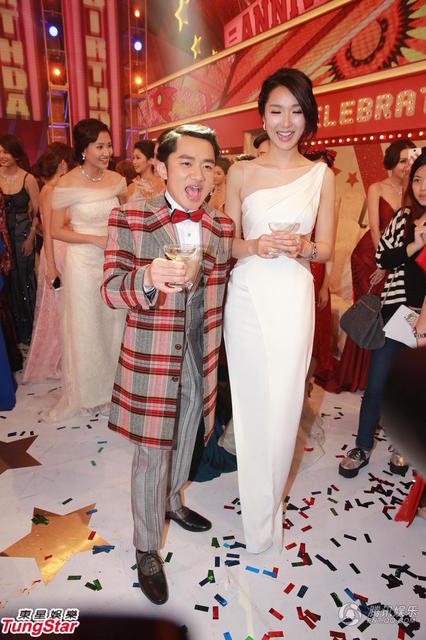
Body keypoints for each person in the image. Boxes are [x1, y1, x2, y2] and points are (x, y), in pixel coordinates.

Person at [100, 124, 233, 605]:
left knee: (188, 434)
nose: (198, 175)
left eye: (207, 166)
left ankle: (173, 500)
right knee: (152, 450)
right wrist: (148, 277)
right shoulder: (130, 217)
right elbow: (110, 289)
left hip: (200, 351)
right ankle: (146, 547)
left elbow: (220, 292)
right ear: (161, 167)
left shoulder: (221, 226)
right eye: (186, 163)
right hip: (154, 356)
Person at [223, 67, 335, 554]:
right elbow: (226, 243)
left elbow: (326, 248)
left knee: (287, 405)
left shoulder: (322, 175)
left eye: (296, 111)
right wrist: (255, 244)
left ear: (308, 116)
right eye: (276, 111)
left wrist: (303, 247)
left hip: (293, 294)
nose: (286, 122)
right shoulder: (240, 172)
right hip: (247, 296)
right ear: (262, 116)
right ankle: (257, 519)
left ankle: (272, 503)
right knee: (251, 406)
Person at [339, 149, 426, 478]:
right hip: (396, 314)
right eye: (417, 179)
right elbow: (383, 258)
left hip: (425, 317)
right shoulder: (403, 218)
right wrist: (415, 245)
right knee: (376, 383)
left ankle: (402, 446)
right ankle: (362, 446)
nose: (422, 187)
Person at [48, 118, 127, 421]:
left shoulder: (117, 180)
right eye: (100, 146)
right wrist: (93, 239)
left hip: (113, 262)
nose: (107, 152)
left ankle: (115, 388)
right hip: (82, 262)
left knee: (113, 324)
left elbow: (125, 217)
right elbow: (55, 230)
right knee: (87, 327)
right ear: (84, 149)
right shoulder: (66, 184)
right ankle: (90, 393)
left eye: (109, 145)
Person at [327, 139, 415, 393]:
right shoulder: (377, 188)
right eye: (402, 161)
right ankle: (360, 375)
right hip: (370, 257)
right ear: (392, 162)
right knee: (371, 311)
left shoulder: (415, 191)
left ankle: (385, 374)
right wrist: (383, 262)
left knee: (396, 311)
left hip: (398, 259)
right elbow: (375, 229)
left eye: (410, 161)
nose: (406, 166)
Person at [22, 143, 74, 383]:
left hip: (61, 252)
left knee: (61, 308)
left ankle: (66, 358)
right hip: (56, 253)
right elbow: (50, 231)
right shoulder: (51, 190)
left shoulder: (56, 189)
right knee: (56, 310)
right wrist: (51, 266)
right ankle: (56, 361)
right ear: (63, 164)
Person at [0, 134, 39, 345]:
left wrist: (31, 237)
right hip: (2, 238)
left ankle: (30, 331)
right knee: (7, 283)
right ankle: (12, 334)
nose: (2, 156)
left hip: (22, 234)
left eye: (6, 152)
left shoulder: (28, 178)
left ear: (16, 154)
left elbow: (38, 211)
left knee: (24, 280)